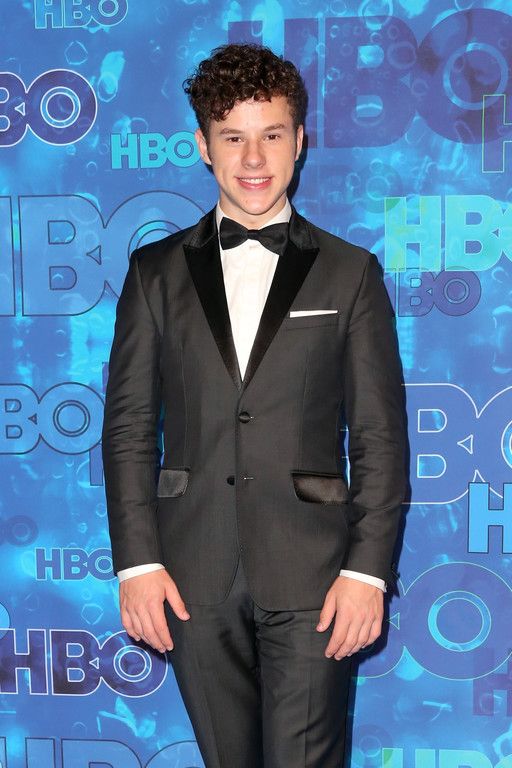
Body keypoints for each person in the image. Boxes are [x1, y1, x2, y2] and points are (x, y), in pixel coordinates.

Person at [101, 43, 407, 768]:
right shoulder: (153, 273)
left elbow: (379, 437)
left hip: (316, 574)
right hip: (189, 574)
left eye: (271, 134)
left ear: (300, 141)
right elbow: (129, 428)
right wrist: (136, 563)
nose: (253, 158)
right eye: (232, 136)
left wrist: (367, 573)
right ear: (202, 145)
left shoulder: (350, 273)